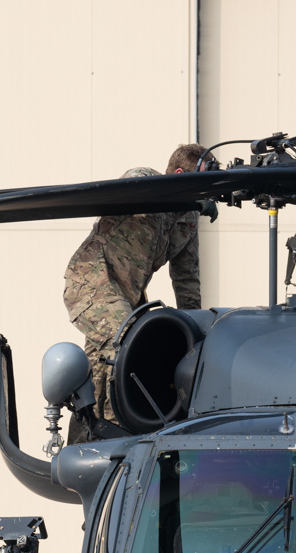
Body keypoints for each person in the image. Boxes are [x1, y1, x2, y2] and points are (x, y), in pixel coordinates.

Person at [63, 143, 206, 432]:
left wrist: (197, 337)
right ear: (179, 175)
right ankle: (112, 432)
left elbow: (186, 278)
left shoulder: (188, 219)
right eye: (202, 181)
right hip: (93, 281)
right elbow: (135, 176)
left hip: (127, 295)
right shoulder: (146, 187)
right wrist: (170, 191)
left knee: (119, 359)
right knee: (126, 346)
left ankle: (94, 432)